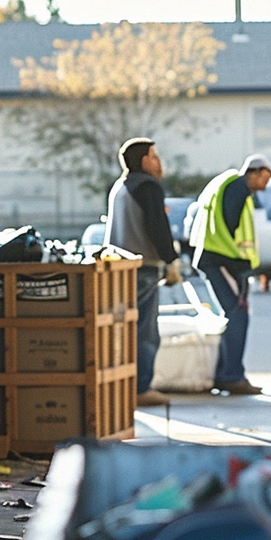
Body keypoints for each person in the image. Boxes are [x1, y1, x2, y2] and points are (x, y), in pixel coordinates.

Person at [104, 137, 182, 408]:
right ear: (144, 161)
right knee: (145, 332)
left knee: (121, 331)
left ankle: (121, 385)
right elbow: (157, 227)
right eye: (155, 156)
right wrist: (171, 260)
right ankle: (140, 388)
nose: (159, 162)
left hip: (117, 268)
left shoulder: (121, 187)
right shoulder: (147, 186)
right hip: (143, 267)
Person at [188, 154, 271, 396]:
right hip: (222, 260)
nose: (267, 184)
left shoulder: (231, 186)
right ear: (255, 173)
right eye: (266, 177)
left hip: (218, 259)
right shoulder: (238, 189)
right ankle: (231, 377)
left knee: (234, 315)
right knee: (238, 315)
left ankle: (225, 374)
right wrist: (240, 269)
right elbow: (229, 228)